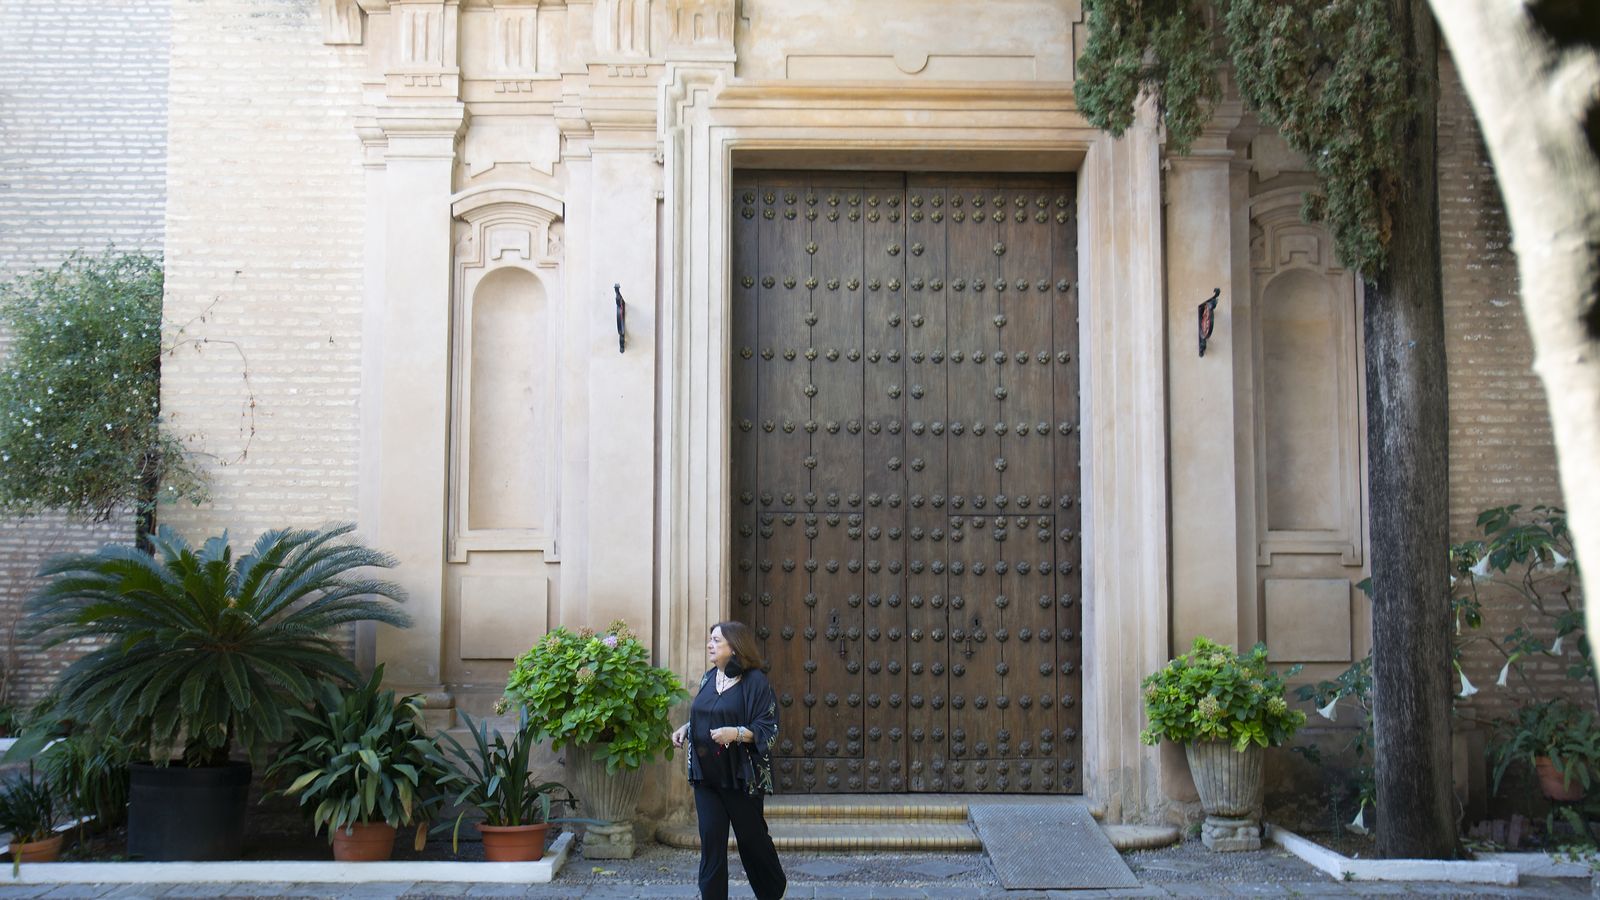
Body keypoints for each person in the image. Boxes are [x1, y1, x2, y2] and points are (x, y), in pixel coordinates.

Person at [671, 621, 787, 900]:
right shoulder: (709, 677)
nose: (710, 645)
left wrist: (735, 733)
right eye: (710, 640)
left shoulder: (755, 681)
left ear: (734, 647)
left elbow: (769, 728)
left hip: (740, 778)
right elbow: (705, 713)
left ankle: (774, 891)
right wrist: (687, 728)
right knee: (711, 845)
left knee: (752, 841)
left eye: (716, 640)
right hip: (706, 777)